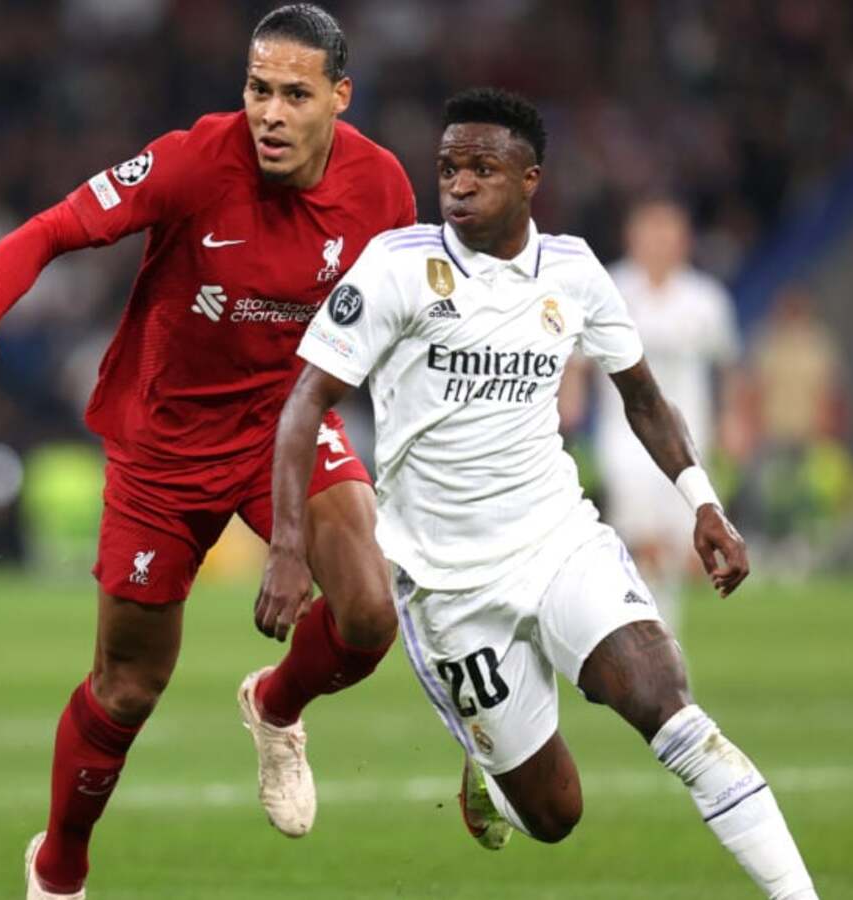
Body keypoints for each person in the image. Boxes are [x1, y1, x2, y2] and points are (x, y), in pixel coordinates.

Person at [258, 88, 818, 899]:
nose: (459, 185)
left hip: (559, 542)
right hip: (448, 587)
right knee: (555, 814)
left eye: (482, 169)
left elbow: (643, 399)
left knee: (671, 710)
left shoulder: (574, 272)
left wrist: (703, 501)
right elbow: (305, 401)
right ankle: (490, 773)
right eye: (448, 168)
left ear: (530, 180)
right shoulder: (396, 267)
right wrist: (286, 544)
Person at [0, 6, 414, 898]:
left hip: (286, 426)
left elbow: (405, 324)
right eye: (258, 89)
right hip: (165, 447)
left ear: (340, 97)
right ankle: (58, 868)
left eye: (295, 94)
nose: (270, 113)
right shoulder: (193, 160)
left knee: (372, 614)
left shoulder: (382, 189)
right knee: (128, 687)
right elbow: (54, 228)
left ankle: (274, 705)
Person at [586, 196, 747, 633]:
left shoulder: (706, 299)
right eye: (651, 231)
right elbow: (576, 357)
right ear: (632, 236)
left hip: (688, 439)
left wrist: (734, 418)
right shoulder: (610, 288)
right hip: (624, 438)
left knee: (680, 546)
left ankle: (661, 637)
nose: (659, 241)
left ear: (684, 239)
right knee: (641, 542)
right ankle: (640, 634)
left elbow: (729, 366)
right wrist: (568, 399)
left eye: (668, 231)